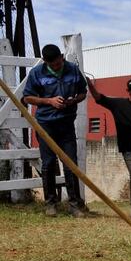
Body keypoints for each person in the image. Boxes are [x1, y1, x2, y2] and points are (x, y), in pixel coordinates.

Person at [22, 44, 88, 218]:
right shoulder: (36, 73)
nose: (57, 66)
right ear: (45, 62)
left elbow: (83, 92)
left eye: (59, 63)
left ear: (61, 56)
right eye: (53, 65)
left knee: (70, 163)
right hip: (46, 125)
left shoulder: (73, 70)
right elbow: (27, 97)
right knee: (48, 164)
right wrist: (49, 101)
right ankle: (50, 203)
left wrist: (73, 101)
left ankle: (74, 204)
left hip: (66, 124)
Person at [86, 77, 131, 220]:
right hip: (129, 149)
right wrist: (90, 85)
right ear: (128, 91)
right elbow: (99, 98)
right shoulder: (119, 104)